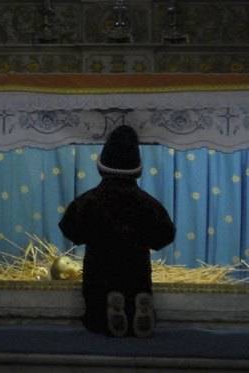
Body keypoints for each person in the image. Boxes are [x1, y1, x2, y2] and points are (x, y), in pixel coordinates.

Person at [58, 125, 175, 337]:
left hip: (99, 268)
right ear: (138, 168)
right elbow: (166, 234)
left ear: (101, 166)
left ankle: (102, 317)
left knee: (97, 303)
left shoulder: (88, 201)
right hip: (136, 269)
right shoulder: (148, 204)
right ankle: (137, 305)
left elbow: (69, 228)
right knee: (136, 288)